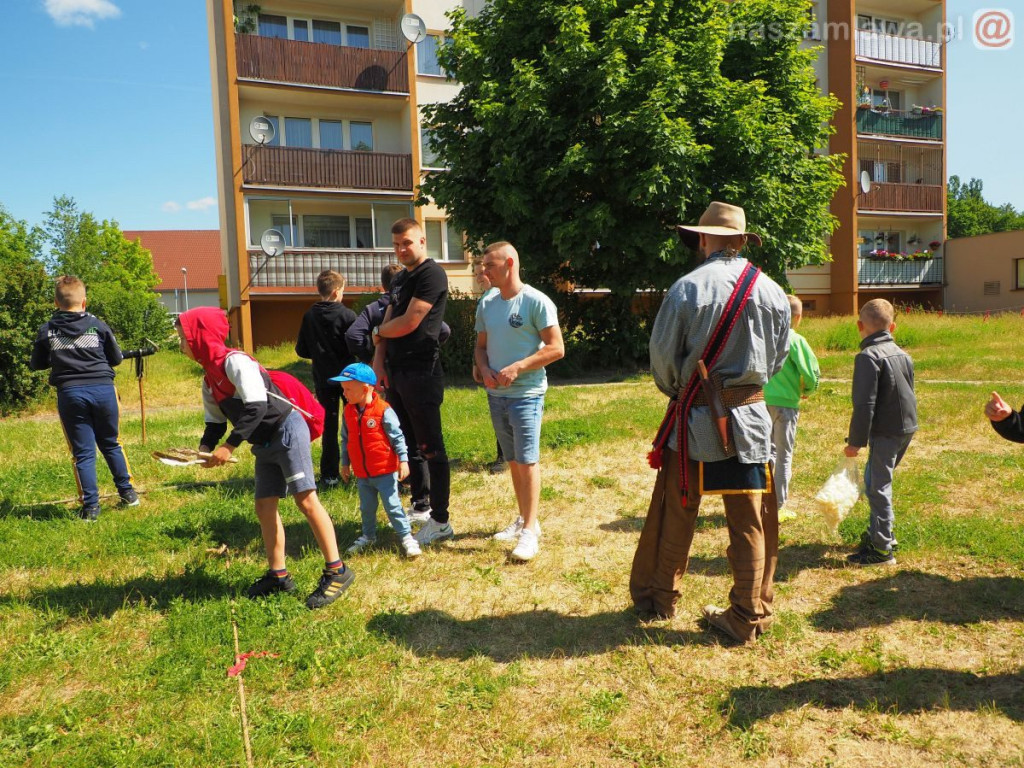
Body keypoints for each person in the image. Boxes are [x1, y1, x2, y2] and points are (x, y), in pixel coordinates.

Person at [629, 202, 790, 645]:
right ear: (741, 240)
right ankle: (747, 614)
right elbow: (777, 359)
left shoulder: (686, 289)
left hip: (695, 417)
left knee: (677, 509)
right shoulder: (774, 292)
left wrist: (682, 391)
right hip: (751, 420)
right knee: (749, 520)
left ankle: (660, 599)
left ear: (702, 239)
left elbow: (663, 359)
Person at [175, 307, 354, 609]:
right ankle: (278, 575)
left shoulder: (236, 362)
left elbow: (256, 407)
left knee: (306, 500)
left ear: (200, 337)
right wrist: (205, 449)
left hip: (286, 431)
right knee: (264, 505)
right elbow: (215, 423)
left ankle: (337, 570)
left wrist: (229, 447)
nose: (180, 345)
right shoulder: (209, 380)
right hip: (264, 442)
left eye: (183, 338)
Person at [474, 242, 564, 561]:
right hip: (496, 396)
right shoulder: (487, 303)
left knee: (527, 461)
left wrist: (518, 367)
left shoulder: (536, 301)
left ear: (509, 263)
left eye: (490, 265)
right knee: (513, 461)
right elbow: (481, 347)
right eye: (483, 265)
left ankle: (529, 533)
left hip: (527, 395)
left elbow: (556, 348)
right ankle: (527, 520)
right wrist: (483, 369)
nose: (484, 271)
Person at [29, 275, 141, 521]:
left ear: (56, 303)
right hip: (104, 390)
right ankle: (128, 493)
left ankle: (91, 508)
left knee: (83, 453)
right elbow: (117, 358)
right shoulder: (98, 325)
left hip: (71, 394)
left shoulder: (47, 330)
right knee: (111, 443)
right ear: (84, 302)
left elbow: (36, 364)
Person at [372, 218, 453, 546]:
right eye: (396, 245)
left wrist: (377, 332)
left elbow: (410, 321)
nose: (401, 249)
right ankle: (422, 506)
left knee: (432, 448)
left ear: (422, 241)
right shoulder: (401, 278)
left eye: (407, 243)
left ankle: (441, 520)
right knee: (409, 443)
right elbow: (390, 317)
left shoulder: (431, 274)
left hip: (422, 371)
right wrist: (379, 360)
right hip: (397, 371)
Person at [843, 298, 917, 567]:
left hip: (886, 430)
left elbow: (864, 405)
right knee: (876, 478)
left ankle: (882, 549)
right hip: (905, 427)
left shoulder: (867, 357)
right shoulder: (903, 353)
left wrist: (855, 442)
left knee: (877, 486)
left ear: (859, 326)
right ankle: (882, 533)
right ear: (893, 326)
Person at [333, 363, 420, 558]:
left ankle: (406, 537)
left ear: (365, 389)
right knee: (366, 507)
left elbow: (397, 437)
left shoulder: (383, 410)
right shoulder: (348, 411)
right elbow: (345, 439)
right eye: (343, 389)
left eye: (348, 389)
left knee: (393, 505)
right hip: (362, 473)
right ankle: (368, 535)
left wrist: (403, 460)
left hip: (384, 471)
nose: (344, 393)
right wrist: (345, 463)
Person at [295, 270, 358, 489]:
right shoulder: (348, 315)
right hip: (349, 379)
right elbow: (358, 343)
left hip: (323, 379)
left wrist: (318, 352)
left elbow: (301, 350)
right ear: (336, 291)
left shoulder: (309, 315)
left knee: (329, 427)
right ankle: (357, 469)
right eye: (342, 290)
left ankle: (329, 475)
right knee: (354, 422)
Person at [764, 295, 820, 519]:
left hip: (760, 402)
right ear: (797, 318)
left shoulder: (765, 338)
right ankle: (777, 507)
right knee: (784, 455)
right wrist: (807, 391)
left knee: (765, 452)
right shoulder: (795, 340)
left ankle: (760, 500)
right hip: (786, 405)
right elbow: (811, 373)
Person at [471, 260, 508, 474]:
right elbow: (480, 340)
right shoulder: (486, 299)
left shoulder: (499, 297)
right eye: (475, 274)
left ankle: (506, 458)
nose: (478, 278)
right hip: (489, 364)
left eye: (482, 273)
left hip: (501, 364)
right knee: (498, 411)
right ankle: (502, 456)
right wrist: (477, 362)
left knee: (505, 412)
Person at [346, 264, 405, 365]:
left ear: (383, 284)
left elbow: (352, 335)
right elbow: (441, 329)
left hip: (381, 366)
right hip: (412, 366)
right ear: (403, 282)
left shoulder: (372, 309)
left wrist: (368, 358)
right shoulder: (411, 305)